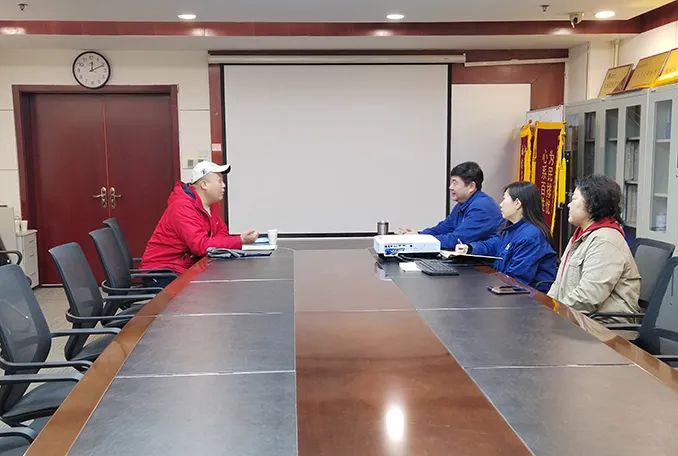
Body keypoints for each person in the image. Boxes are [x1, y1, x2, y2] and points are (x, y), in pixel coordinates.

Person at [140, 161, 258, 286]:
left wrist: (234, 241)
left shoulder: (211, 205)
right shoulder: (182, 207)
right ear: (204, 185)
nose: (223, 185)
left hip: (186, 268)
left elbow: (221, 235)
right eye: (219, 181)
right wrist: (240, 240)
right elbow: (200, 246)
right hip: (163, 272)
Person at [547, 175, 641, 322]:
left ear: (591, 205)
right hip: (577, 317)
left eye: (574, 199)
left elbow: (589, 296)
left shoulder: (605, 240)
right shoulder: (580, 235)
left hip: (603, 326)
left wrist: (554, 311)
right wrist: (546, 306)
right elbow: (558, 284)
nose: (569, 205)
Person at [455, 182, 557, 292]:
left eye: (505, 199)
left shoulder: (530, 236)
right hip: (509, 288)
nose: (501, 204)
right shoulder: (512, 228)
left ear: (517, 203)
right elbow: (494, 244)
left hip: (531, 297)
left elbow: (516, 279)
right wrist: (470, 248)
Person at [398, 161, 502, 248]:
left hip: (485, 263)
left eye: (455, 183)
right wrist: (419, 235)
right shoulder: (462, 204)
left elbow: (457, 239)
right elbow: (443, 228)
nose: (450, 187)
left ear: (471, 186)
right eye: (451, 182)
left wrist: (420, 239)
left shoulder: (482, 207)